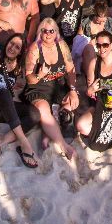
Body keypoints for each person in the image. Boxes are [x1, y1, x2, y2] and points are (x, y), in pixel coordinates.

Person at [0, 33, 40, 168]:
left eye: (17, 47)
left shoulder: (17, 67)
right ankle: (25, 144)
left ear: (20, 52)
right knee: (2, 90)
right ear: (7, 43)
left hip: (4, 108)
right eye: (11, 43)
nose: (12, 48)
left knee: (34, 114)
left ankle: (0, 141)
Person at [23, 18, 79, 160]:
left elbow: (71, 68)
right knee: (43, 109)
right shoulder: (35, 49)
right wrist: (39, 75)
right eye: (44, 31)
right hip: (39, 87)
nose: (48, 34)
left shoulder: (62, 45)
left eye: (51, 31)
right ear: (40, 32)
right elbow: (29, 77)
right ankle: (63, 145)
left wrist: (72, 90)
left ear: (56, 32)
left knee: (70, 104)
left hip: (58, 85)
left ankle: (46, 134)